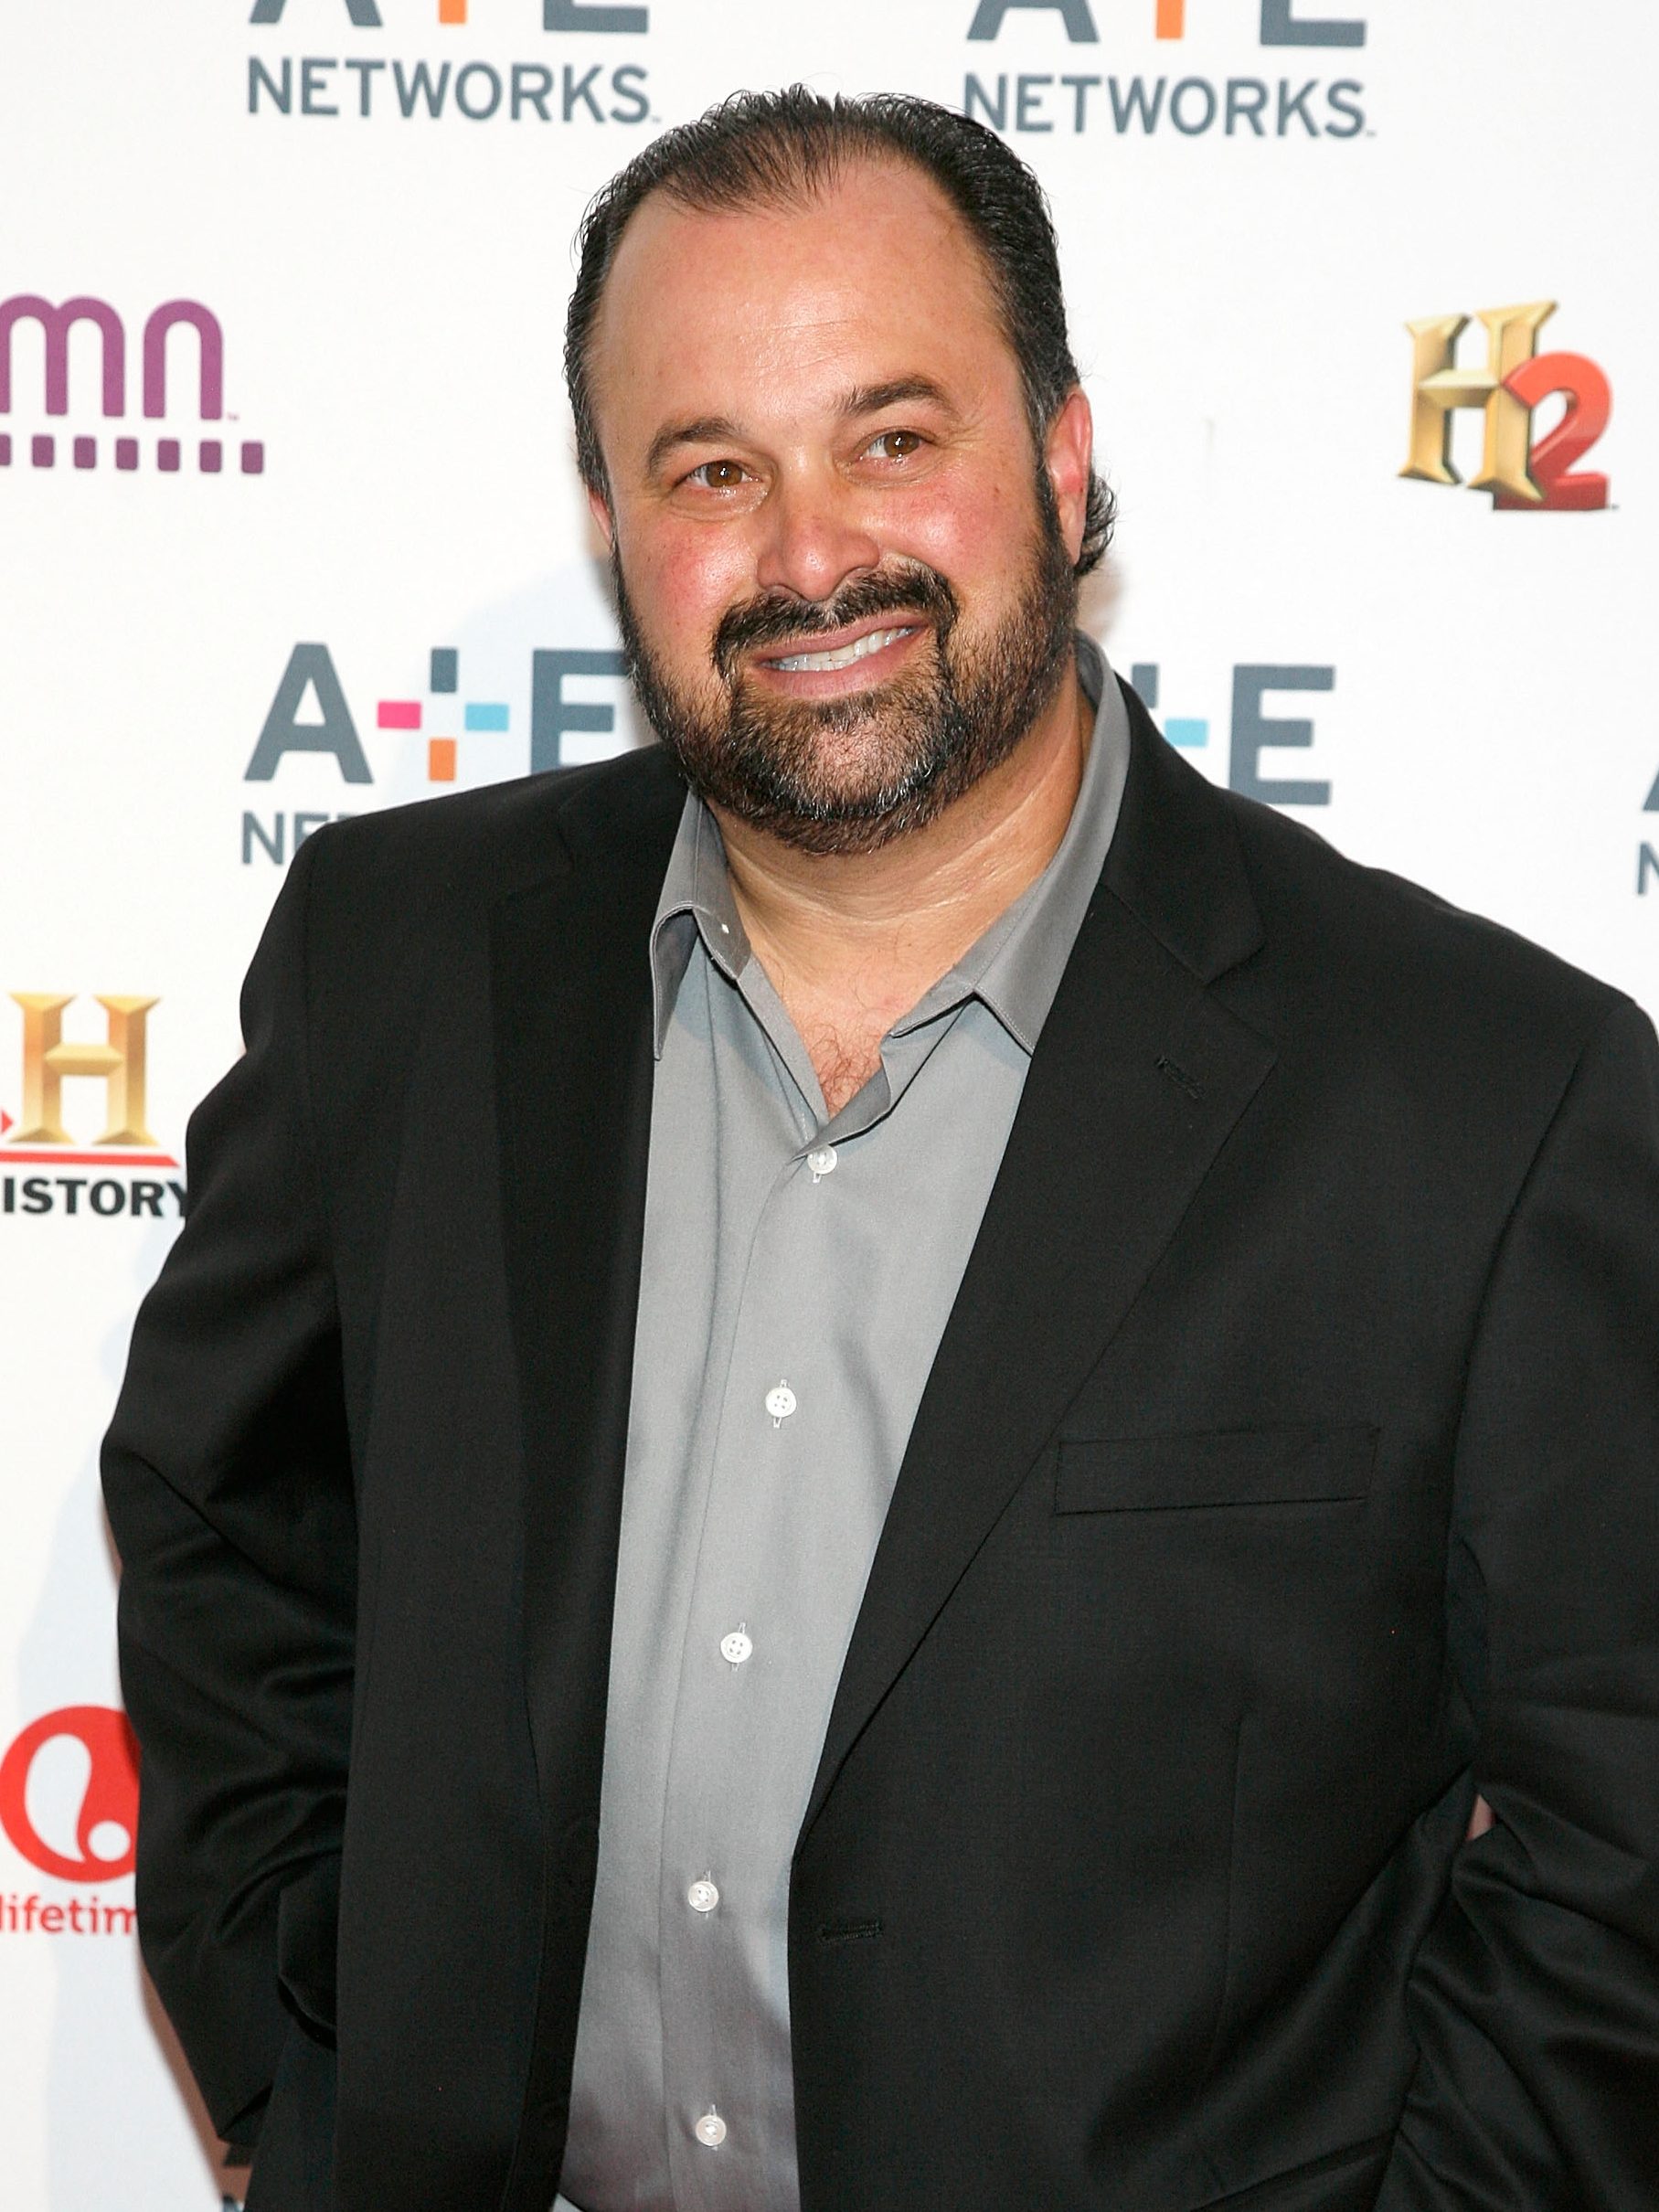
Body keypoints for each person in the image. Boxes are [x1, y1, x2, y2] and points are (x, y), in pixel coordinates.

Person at [103, 88, 1659, 2212]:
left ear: (1061, 456)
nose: (809, 549)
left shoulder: (1482, 1098)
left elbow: (1617, 1834)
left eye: (891, 436)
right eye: (711, 469)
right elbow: (225, 1532)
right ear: (613, 524)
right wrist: (323, 2091)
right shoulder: (397, 967)